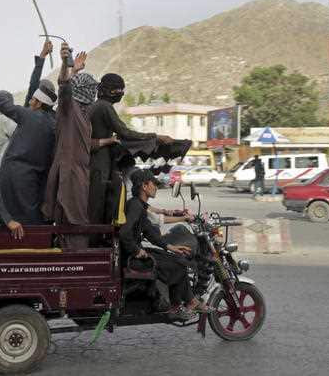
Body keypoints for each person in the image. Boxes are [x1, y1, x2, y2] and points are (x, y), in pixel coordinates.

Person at [43, 45, 113, 248]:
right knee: (75, 222)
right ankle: (75, 263)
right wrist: (66, 64)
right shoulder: (69, 108)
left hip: (79, 175)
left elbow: (84, 144)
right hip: (70, 176)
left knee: (76, 220)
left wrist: (107, 141)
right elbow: (64, 86)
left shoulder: (83, 114)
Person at [0, 59, 56, 225]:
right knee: (31, 220)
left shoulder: (27, 115)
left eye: (33, 100)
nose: (30, 102)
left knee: (5, 218)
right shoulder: (56, 123)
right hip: (37, 181)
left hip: (12, 176)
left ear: (39, 103)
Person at [120, 169, 210, 319]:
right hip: (131, 258)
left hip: (133, 253)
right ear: (144, 186)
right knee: (178, 264)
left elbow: (150, 232)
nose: (156, 187)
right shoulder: (135, 206)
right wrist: (136, 251)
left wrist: (171, 247)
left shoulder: (138, 204)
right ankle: (180, 305)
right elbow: (124, 232)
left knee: (177, 259)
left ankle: (187, 302)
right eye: (153, 184)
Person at [88, 73, 174, 225]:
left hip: (99, 163)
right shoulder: (104, 107)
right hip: (99, 165)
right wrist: (156, 137)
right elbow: (125, 132)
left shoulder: (97, 106)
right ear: (112, 92)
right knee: (98, 208)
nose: (121, 94)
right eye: (119, 91)